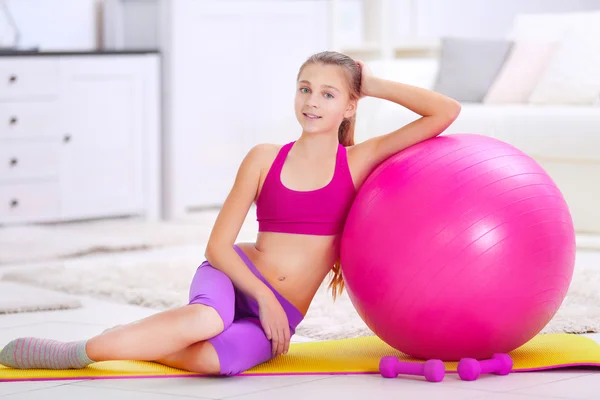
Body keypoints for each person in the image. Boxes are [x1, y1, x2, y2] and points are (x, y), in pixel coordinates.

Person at [0, 51, 460, 376]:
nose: (312, 102)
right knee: (206, 321)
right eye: (304, 89)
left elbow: (445, 111)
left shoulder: (356, 162)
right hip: (233, 275)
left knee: (217, 362)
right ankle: (77, 351)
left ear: (348, 105)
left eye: (327, 94)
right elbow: (217, 246)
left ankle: (142, 336)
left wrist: (372, 83)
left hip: (282, 311)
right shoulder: (264, 158)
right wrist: (259, 298)